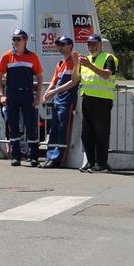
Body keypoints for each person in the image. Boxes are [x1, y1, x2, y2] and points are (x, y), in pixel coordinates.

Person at [0, 29, 43, 167]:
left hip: (27, 93)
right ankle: (16, 156)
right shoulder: (6, 56)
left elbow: (40, 77)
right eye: (14, 39)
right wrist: (2, 94)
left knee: (31, 125)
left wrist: (38, 96)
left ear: (25, 40)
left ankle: (34, 156)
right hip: (12, 93)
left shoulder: (32, 57)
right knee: (13, 126)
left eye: (18, 39)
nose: (15, 42)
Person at [78, 33, 118, 173]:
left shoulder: (108, 58)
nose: (92, 47)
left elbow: (107, 74)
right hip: (87, 99)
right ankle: (91, 162)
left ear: (101, 45)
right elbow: (76, 78)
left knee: (101, 133)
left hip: (102, 100)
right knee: (86, 134)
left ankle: (101, 164)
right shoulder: (86, 60)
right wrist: (74, 62)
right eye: (89, 44)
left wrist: (89, 65)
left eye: (94, 44)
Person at [40, 36, 80, 169]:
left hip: (67, 101)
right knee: (54, 130)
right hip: (58, 101)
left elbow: (73, 82)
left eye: (62, 44)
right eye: (58, 45)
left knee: (63, 129)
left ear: (70, 45)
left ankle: (58, 159)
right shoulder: (60, 63)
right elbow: (54, 79)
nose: (60, 47)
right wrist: (48, 91)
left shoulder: (74, 62)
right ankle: (50, 156)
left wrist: (55, 91)